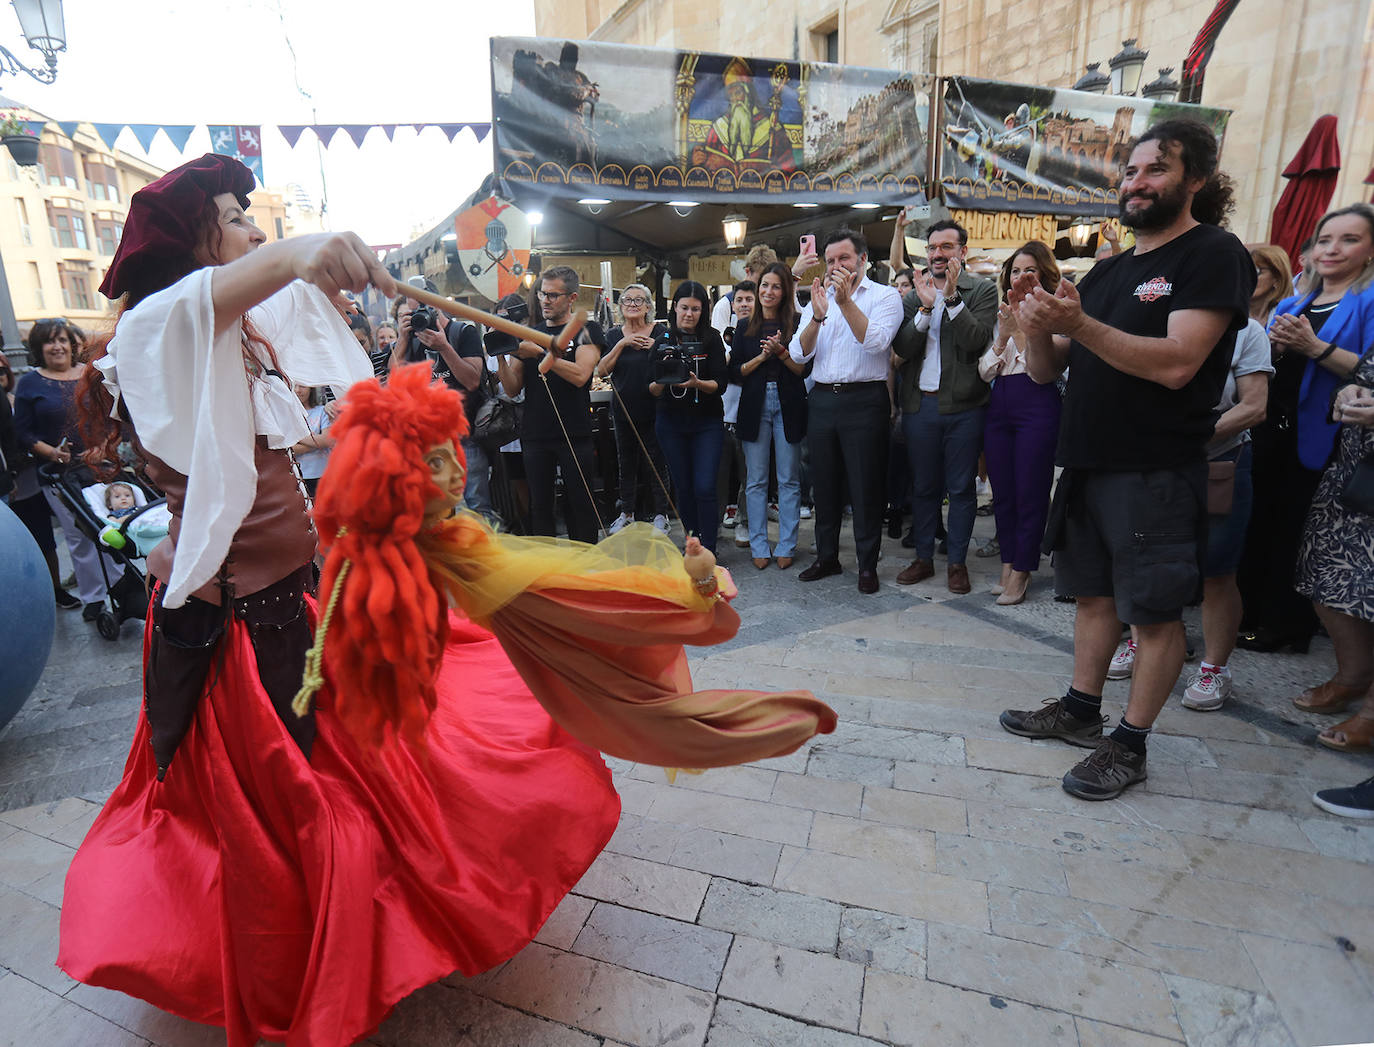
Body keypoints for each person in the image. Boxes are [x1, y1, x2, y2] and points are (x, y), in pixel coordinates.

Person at [57, 154, 621, 1047]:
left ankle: (364, 939)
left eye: (254, 216)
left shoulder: (219, 333)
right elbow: (256, 281)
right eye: (239, 215)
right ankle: (312, 968)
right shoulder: (158, 328)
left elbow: (281, 359)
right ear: (197, 238)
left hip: (296, 602)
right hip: (243, 632)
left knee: (390, 764)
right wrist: (307, 249)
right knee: (297, 816)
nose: (253, 226)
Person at [304, 362, 836, 767]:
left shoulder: (451, 535)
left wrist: (680, 587)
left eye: (452, 458)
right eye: (434, 462)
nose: (453, 479)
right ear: (393, 474)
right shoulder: (394, 552)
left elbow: (575, 590)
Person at [998, 119, 1255, 801]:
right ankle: (1082, 710)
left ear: (1194, 179)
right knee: (1093, 595)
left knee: (1154, 614)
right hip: (1088, 460)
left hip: (1155, 467)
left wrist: (1077, 324)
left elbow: (1178, 364)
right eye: (1131, 172)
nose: (1135, 183)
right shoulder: (1109, 270)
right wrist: (1035, 331)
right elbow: (1052, 369)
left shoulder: (1212, 253)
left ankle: (1131, 745)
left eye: (1154, 170)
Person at [1108, 312, 1274, 707]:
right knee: (1143, 558)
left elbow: (1254, 406)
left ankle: (1216, 668)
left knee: (1217, 569)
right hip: (1151, 463)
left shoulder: (1246, 331)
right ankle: (1139, 641)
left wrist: (1190, 439)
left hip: (1220, 462)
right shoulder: (1148, 323)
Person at [1238, 204, 1374, 654]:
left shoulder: (1367, 301)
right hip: (1272, 431)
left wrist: (1314, 347)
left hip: (1329, 439)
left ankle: (1286, 626)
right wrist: (1274, 351)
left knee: (1295, 533)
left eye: (1349, 239)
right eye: (1325, 239)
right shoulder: (1295, 302)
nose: (1333, 249)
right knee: (1259, 524)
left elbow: (1368, 371)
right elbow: (1274, 367)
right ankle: (1249, 615)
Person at [790, 228, 904, 593]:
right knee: (824, 485)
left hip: (865, 399)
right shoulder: (818, 299)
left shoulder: (885, 297)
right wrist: (818, 316)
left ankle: (867, 565)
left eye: (844, 259)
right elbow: (797, 354)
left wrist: (844, 303)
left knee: (865, 485)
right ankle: (827, 557)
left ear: (863, 260)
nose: (837, 266)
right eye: (831, 260)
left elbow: (876, 342)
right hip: (823, 399)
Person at [892, 219, 999, 595]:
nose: (937, 254)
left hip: (965, 407)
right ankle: (923, 558)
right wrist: (923, 310)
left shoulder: (982, 290)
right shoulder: (913, 294)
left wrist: (952, 298)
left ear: (962, 252)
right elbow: (903, 350)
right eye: (932, 247)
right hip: (921, 406)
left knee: (961, 489)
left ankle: (956, 563)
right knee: (923, 487)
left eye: (946, 247)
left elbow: (976, 341)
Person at [1290, 350, 1374, 748]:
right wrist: (1346, 393)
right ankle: (1353, 676)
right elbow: (1361, 374)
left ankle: (1372, 712)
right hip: (1356, 472)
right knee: (1324, 575)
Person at [978, 242, 1064, 605]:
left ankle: (1023, 569)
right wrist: (1002, 334)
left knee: (1031, 491)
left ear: (1044, 273)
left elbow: (1041, 370)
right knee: (1004, 492)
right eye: (1015, 270)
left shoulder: (1057, 313)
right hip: (1001, 404)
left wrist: (1018, 332)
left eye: (1029, 270)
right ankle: (1008, 561)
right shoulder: (1004, 313)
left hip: (1037, 403)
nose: (1021, 276)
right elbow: (984, 371)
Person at [497, 265, 604, 544]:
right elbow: (511, 388)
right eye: (542, 294)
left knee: (580, 504)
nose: (545, 300)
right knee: (540, 506)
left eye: (553, 295)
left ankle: (587, 567)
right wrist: (501, 354)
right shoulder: (530, 333)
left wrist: (543, 354)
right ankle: (548, 573)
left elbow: (581, 375)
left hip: (574, 431)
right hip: (536, 433)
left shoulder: (585, 330)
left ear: (571, 298)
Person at [13, 318, 108, 618]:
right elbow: (23, 433)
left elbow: (110, 415)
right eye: (50, 341)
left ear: (72, 344)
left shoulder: (90, 375)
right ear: (40, 348)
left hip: (100, 467)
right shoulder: (29, 382)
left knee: (113, 525)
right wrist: (52, 453)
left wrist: (103, 447)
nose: (57, 346)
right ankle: (95, 598)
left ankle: (124, 589)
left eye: (63, 340)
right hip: (59, 475)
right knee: (78, 535)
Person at [390, 282, 492, 519]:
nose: (419, 317)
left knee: (476, 508)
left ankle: (481, 554)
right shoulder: (412, 340)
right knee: (439, 511)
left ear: (437, 305)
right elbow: (394, 381)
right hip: (432, 440)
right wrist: (404, 338)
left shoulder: (463, 332)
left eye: (422, 309)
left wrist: (444, 347)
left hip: (466, 435)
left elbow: (472, 381)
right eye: (413, 313)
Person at [730, 262, 808, 569]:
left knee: (789, 478)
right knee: (756, 480)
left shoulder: (798, 323)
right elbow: (735, 372)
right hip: (754, 404)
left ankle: (787, 544)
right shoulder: (744, 326)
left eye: (776, 286)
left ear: (786, 290)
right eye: (764, 285)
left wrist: (782, 353)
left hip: (789, 402)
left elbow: (804, 370)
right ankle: (759, 544)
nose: (768, 292)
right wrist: (763, 356)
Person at [650, 280, 728, 554]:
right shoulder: (663, 340)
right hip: (670, 423)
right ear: (675, 307)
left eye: (696, 309)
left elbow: (721, 384)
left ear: (704, 310)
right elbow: (651, 388)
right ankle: (692, 545)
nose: (689, 314)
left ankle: (709, 546)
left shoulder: (712, 338)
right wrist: (664, 376)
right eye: (684, 307)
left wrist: (696, 383)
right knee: (683, 487)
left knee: (705, 486)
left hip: (707, 422)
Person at [598, 282, 670, 534]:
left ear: (648, 306)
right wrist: (622, 345)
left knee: (656, 461)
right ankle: (626, 512)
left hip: (655, 405)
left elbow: (672, 361)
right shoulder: (613, 335)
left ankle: (661, 514)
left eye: (638, 300)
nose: (632, 304)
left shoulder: (661, 332)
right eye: (627, 300)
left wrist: (657, 348)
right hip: (623, 407)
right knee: (625, 461)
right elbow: (602, 370)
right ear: (620, 307)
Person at [1249, 243, 1293, 327]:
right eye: (1245, 270)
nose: (1248, 276)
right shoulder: (1230, 315)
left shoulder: (1288, 319)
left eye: (1256, 271)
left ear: (1277, 278)